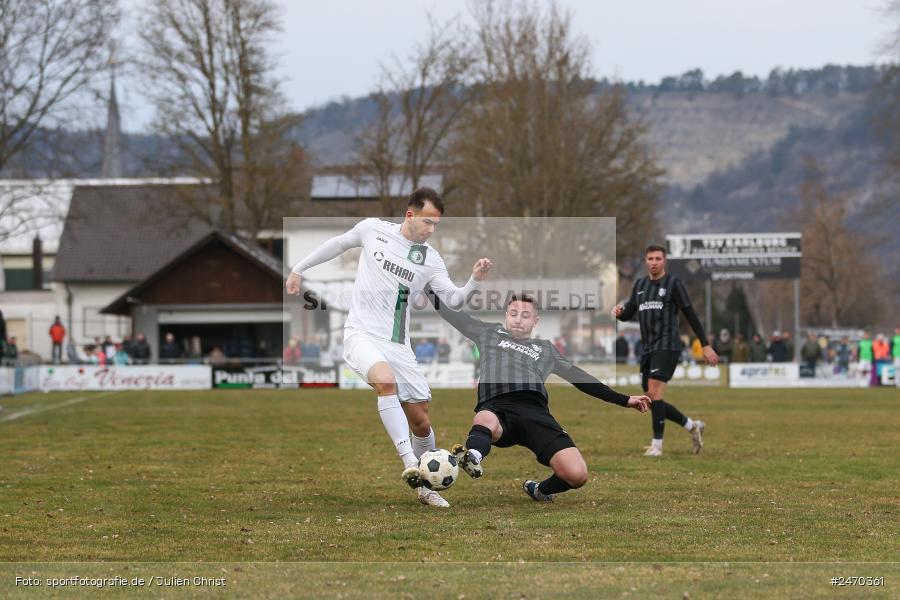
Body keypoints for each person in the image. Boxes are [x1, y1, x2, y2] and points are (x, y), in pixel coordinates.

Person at [285, 187, 492, 508]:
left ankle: (426, 488)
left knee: (421, 420)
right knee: (385, 382)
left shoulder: (430, 259)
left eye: (436, 225)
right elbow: (338, 244)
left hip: (398, 345)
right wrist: (299, 268)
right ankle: (410, 462)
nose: (431, 230)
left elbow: (453, 299)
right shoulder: (373, 230)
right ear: (410, 215)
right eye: (427, 222)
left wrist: (474, 280)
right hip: (361, 334)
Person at [428, 292, 651, 502]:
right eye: (513, 313)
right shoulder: (488, 333)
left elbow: (579, 377)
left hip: (536, 414)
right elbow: (452, 314)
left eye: (525, 315)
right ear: (506, 315)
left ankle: (539, 490)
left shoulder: (545, 349)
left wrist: (624, 399)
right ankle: (473, 457)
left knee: (577, 474)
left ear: (535, 321)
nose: (517, 319)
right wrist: (426, 286)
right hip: (497, 408)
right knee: (484, 419)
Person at [613, 245, 718, 457]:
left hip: (668, 346)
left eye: (657, 258)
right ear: (645, 261)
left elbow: (690, 314)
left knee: (654, 392)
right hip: (648, 348)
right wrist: (619, 313)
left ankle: (657, 446)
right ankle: (692, 426)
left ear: (664, 261)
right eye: (650, 258)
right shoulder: (640, 285)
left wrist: (705, 344)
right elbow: (629, 313)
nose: (653, 262)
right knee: (650, 398)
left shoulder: (673, 284)